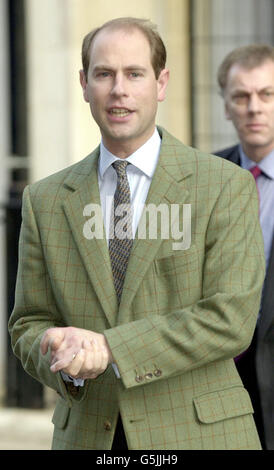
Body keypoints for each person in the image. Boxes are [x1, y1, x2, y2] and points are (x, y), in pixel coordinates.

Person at [9, 18, 265, 451]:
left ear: (161, 83)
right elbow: (27, 324)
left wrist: (110, 348)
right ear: (84, 84)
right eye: (104, 74)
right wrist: (59, 352)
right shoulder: (45, 199)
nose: (118, 90)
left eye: (134, 73)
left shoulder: (225, 186)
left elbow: (230, 319)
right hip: (88, 436)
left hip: (198, 435)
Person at [215, 44, 274, 450]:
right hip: (220, 375)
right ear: (226, 106)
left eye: (267, 94)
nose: (254, 108)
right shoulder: (204, 178)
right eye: (241, 96)